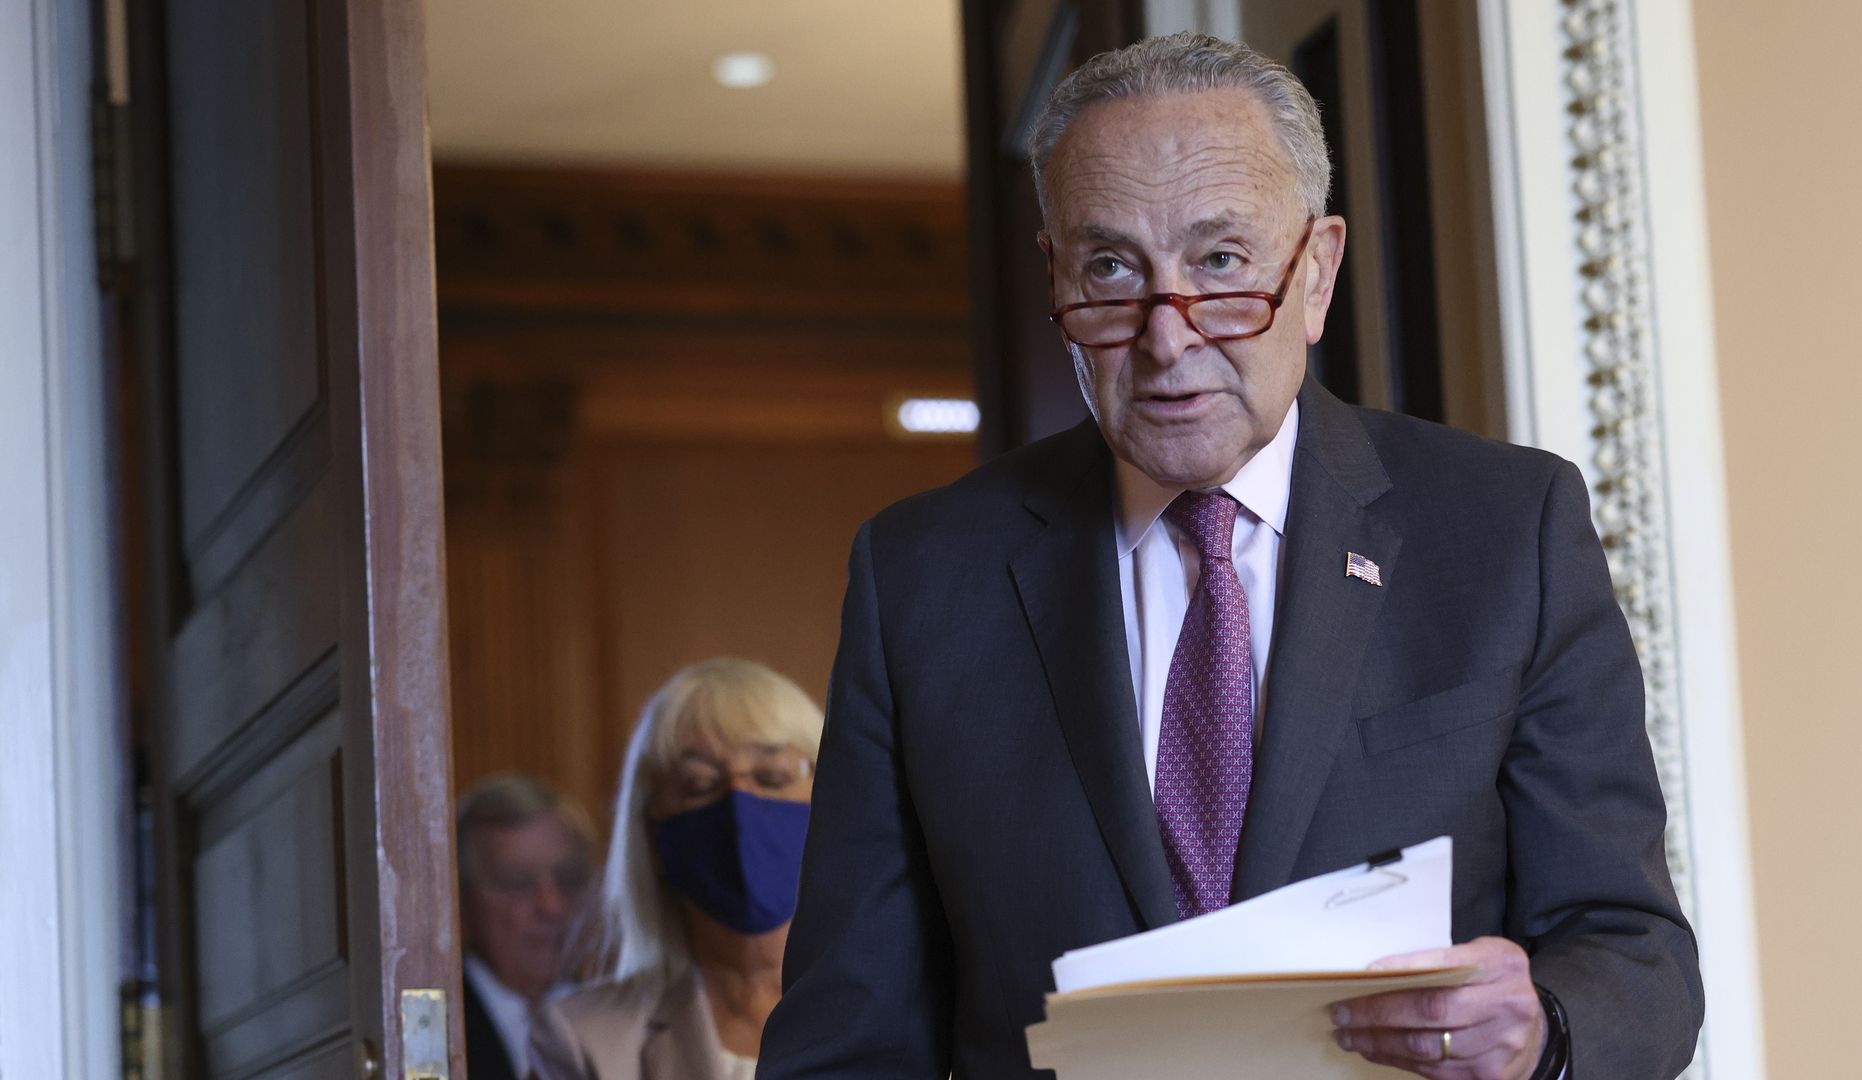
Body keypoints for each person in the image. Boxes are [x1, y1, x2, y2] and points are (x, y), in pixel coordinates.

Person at [758, 31, 1702, 1080]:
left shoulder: (1506, 529)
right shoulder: (922, 579)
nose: (1169, 337)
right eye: (1112, 269)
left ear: (1317, 271)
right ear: (1054, 275)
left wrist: (1543, 1031)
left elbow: (1637, 955)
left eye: (1220, 262)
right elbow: (847, 1042)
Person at [529, 658, 823, 1080]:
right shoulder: (584, 1040)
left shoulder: (911, 1017)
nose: (739, 805)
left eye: (772, 777)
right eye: (698, 784)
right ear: (651, 836)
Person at [456, 774, 597, 1080]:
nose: (551, 906)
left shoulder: (624, 1015)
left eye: (568, 879)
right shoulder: (438, 1028)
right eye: (518, 883)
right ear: (461, 903)